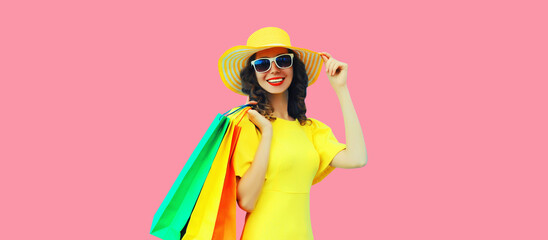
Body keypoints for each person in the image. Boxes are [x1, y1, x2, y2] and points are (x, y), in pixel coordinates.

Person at [218, 27, 367, 240]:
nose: (274, 70)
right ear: (253, 74)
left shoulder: (311, 129)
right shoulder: (247, 125)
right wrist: (267, 132)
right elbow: (247, 201)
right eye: (262, 64)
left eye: (283, 61)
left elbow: (357, 158)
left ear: (293, 68)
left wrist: (341, 90)